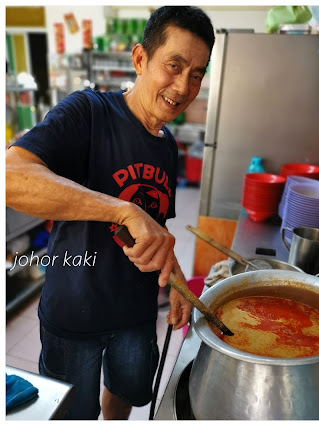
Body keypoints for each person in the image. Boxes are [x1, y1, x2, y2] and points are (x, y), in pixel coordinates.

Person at [5, 7, 215, 420]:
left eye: (196, 74)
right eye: (174, 66)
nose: (184, 86)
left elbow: (157, 225)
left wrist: (175, 281)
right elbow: (10, 177)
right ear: (140, 60)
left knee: (124, 398)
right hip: (74, 314)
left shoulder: (166, 144)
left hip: (136, 316)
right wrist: (121, 210)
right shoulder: (88, 113)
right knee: (73, 414)